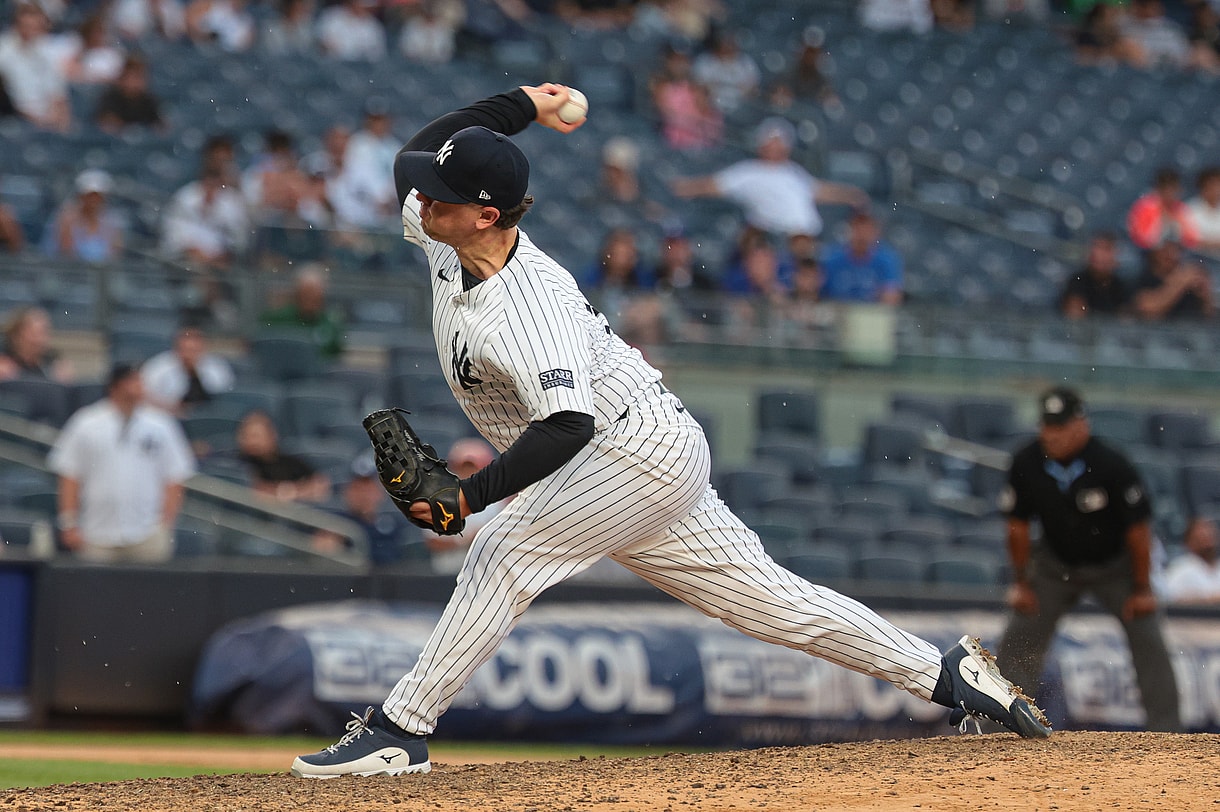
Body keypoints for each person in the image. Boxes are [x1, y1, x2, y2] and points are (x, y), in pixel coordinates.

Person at [290, 81, 1051, 780]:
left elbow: (566, 423)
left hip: (628, 451)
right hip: (634, 452)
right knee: (773, 605)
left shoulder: (527, 308)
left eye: (443, 194)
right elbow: (407, 164)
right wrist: (521, 102)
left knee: (501, 547)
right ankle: (949, 676)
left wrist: (469, 495)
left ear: (487, 215)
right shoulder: (443, 233)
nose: (420, 199)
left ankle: (401, 729)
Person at [996, 386, 1180, 732]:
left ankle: (1167, 732)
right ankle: (1003, 726)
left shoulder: (1111, 463)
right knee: (1021, 636)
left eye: (1060, 426)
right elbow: (1017, 527)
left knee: (1148, 635)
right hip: (1055, 565)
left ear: (1081, 425)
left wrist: (1142, 587)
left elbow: (1139, 531)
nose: (1051, 434)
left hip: (1115, 567)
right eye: (1047, 425)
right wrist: (1021, 583)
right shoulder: (1027, 461)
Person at [47, 362, 197, 563]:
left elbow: (175, 476)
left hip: (147, 533)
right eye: (133, 380)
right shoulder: (86, 422)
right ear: (116, 386)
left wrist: (164, 524)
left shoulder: (161, 425)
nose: (140, 386)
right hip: (95, 533)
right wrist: (69, 524)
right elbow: (69, 475)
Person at [671, 116, 868, 241]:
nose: (777, 146)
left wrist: (851, 195)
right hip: (780, 239)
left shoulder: (793, 172)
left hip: (810, 237)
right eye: (772, 141)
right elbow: (715, 185)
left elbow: (818, 190)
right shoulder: (749, 171)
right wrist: (683, 188)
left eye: (780, 141)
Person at [313, 451, 418, 565]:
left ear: (380, 493)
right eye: (357, 488)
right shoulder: (336, 523)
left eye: (368, 489)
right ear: (346, 491)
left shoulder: (393, 524)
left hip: (391, 580)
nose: (363, 495)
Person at [421, 438, 505, 573]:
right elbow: (432, 542)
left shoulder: (497, 503)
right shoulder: (440, 500)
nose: (467, 474)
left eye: (473, 468)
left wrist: (482, 537)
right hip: (446, 576)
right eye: (462, 468)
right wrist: (465, 541)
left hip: (485, 573)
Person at [0, 3, 71, 132]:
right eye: (27, 27)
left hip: (48, 120)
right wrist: (37, 120)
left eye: (36, 27)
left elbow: (58, 95)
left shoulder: (47, 50)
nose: (31, 32)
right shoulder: (3, 51)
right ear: (16, 25)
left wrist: (60, 121)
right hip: (16, 120)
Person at [235, 408, 330, 502]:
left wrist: (287, 492)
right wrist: (294, 491)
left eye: (256, 436)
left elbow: (320, 482)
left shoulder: (289, 462)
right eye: (246, 435)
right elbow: (253, 492)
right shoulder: (238, 463)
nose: (252, 442)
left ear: (272, 435)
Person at [140, 324, 235, 415]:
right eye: (186, 348)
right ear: (177, 345)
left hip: (208, 415)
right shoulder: (158, 366)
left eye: (194, 349)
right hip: (168, 415)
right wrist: (172, 407)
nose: (190, 353)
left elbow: (223, 395)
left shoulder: (217, 366)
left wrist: (195, 371)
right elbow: (143, 396)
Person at [818, 210, 904, 305]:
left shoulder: (886, 260)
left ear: (875, 232)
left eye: (866, 229)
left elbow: (891, 294)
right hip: (838, 310)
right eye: (858, 228)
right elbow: (820, 291)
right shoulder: (832, 258)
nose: (862, 234)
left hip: (870, 313)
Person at [259, 265, 346, 358]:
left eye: (315, 296)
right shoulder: (276, 318)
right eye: (306, 295)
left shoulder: (331, 323)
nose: (310, 300)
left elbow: (336, 356)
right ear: (297, 294)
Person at [42, 169, 126, 264]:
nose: (94, 200)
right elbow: (66, 252)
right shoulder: (66, 217)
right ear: (81, 196)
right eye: (89, 196)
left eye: (98, 196)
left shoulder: (112, 221)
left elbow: (115, 252)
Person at [1132, 239, 1213, 320]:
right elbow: (1147, 309)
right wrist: (1180, 283)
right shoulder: (1145, 278)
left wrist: (1203, 295)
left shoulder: (1187, 282)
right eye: (1166, 250)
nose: (1171, 255)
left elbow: (1207, 313)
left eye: (1175, 250)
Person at [1059, 231, 1133, 319]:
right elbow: (1073, 315)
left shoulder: (1122, 287)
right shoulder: (1076, 282)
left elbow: (1126, 319)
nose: (1098, 254)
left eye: (1106, 249)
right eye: (1096, 247)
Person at [1127, 167, 1200, 251]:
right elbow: (1142, 238)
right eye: (1166, 189)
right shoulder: (1145, 207)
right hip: (1148, 252)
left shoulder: (1181, 209)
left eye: (1174, 189)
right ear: (1158, 189)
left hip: (1176, 251)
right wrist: (1162, 220)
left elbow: (1192, 238)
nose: (1170, 193)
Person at [93, 54, 165, 132]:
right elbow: (107, 124)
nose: (135, 82)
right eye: (131, 77)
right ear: (122, 77)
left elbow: (160, 126)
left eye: (139, 77)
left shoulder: (149, 100)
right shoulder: (110, 98)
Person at [0, 305, 73, 381]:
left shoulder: (52, 359)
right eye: (34, 333)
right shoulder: (3, 354)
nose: (40, 339)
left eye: (44, 332)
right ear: (16, 334)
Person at [1163, 516, 1220, 604]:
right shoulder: (1181, 568)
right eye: (1201, 537)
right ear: (1189, 541)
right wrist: (1208, 599)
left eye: (1209, 535)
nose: (1207, 540)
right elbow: (1169, 598)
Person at [1187, 166, 1220, 253]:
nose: (1216, 189)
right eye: (1212, 185)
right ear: (1203, 187)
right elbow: (1190, 241)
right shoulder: (1190, 210)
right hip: (1200, 259)